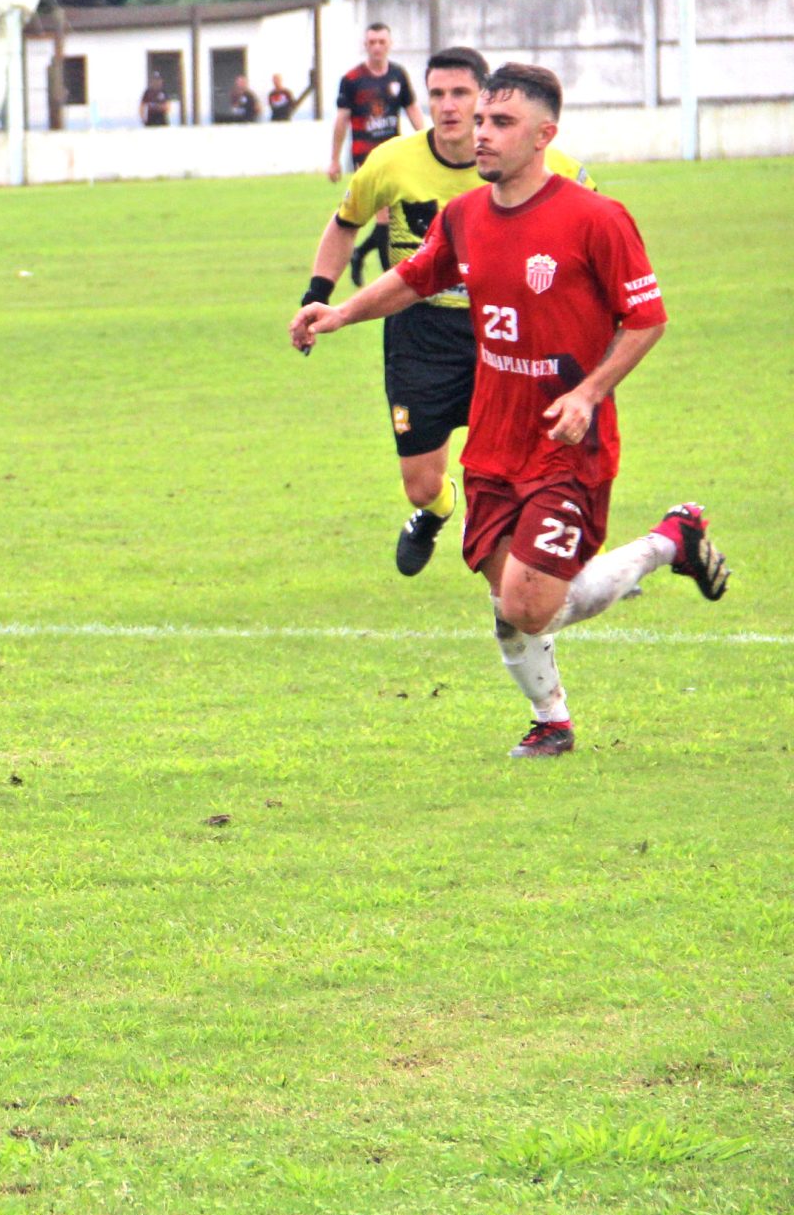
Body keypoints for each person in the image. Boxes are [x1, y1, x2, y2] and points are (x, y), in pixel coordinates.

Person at [291, 64, 728, 759]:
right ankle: (550, 719)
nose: (480, 133)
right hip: (494, 441)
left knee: (529, 603)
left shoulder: (596, 218)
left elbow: (646, 318)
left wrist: (589, 392)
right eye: (482, 118)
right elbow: (412, 277)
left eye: (502, 123)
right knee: (510, 594)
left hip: (565, 442)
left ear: (543, 136)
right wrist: (340, 310)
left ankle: (666, 542)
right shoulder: (465, 217)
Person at [297, 47, 594, 576]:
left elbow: (589, 233)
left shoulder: (553, 169)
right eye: (437, 94)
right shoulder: (391, 161)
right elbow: (347, 222)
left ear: (486, 100)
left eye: (461, 93)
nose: (448, 106)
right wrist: (318, 296)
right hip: (419, 330)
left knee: (530, 460)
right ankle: (436, 511)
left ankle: (554, 556)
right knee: (420, 483)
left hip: (504, 330)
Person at [329, 22, 428, 282]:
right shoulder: (352, 80)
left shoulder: (397, 75)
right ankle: (391, 280)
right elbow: (341, 120)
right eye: (372, 42)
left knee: (390, 218)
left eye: (381, 42)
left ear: (390, 44)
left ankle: (360, 254)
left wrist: (429, 139)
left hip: (394, 155)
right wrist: (334, 159)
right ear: (365, 45)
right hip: (366, 155)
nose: (376, 47)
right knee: (385, 217)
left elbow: (412, 109)